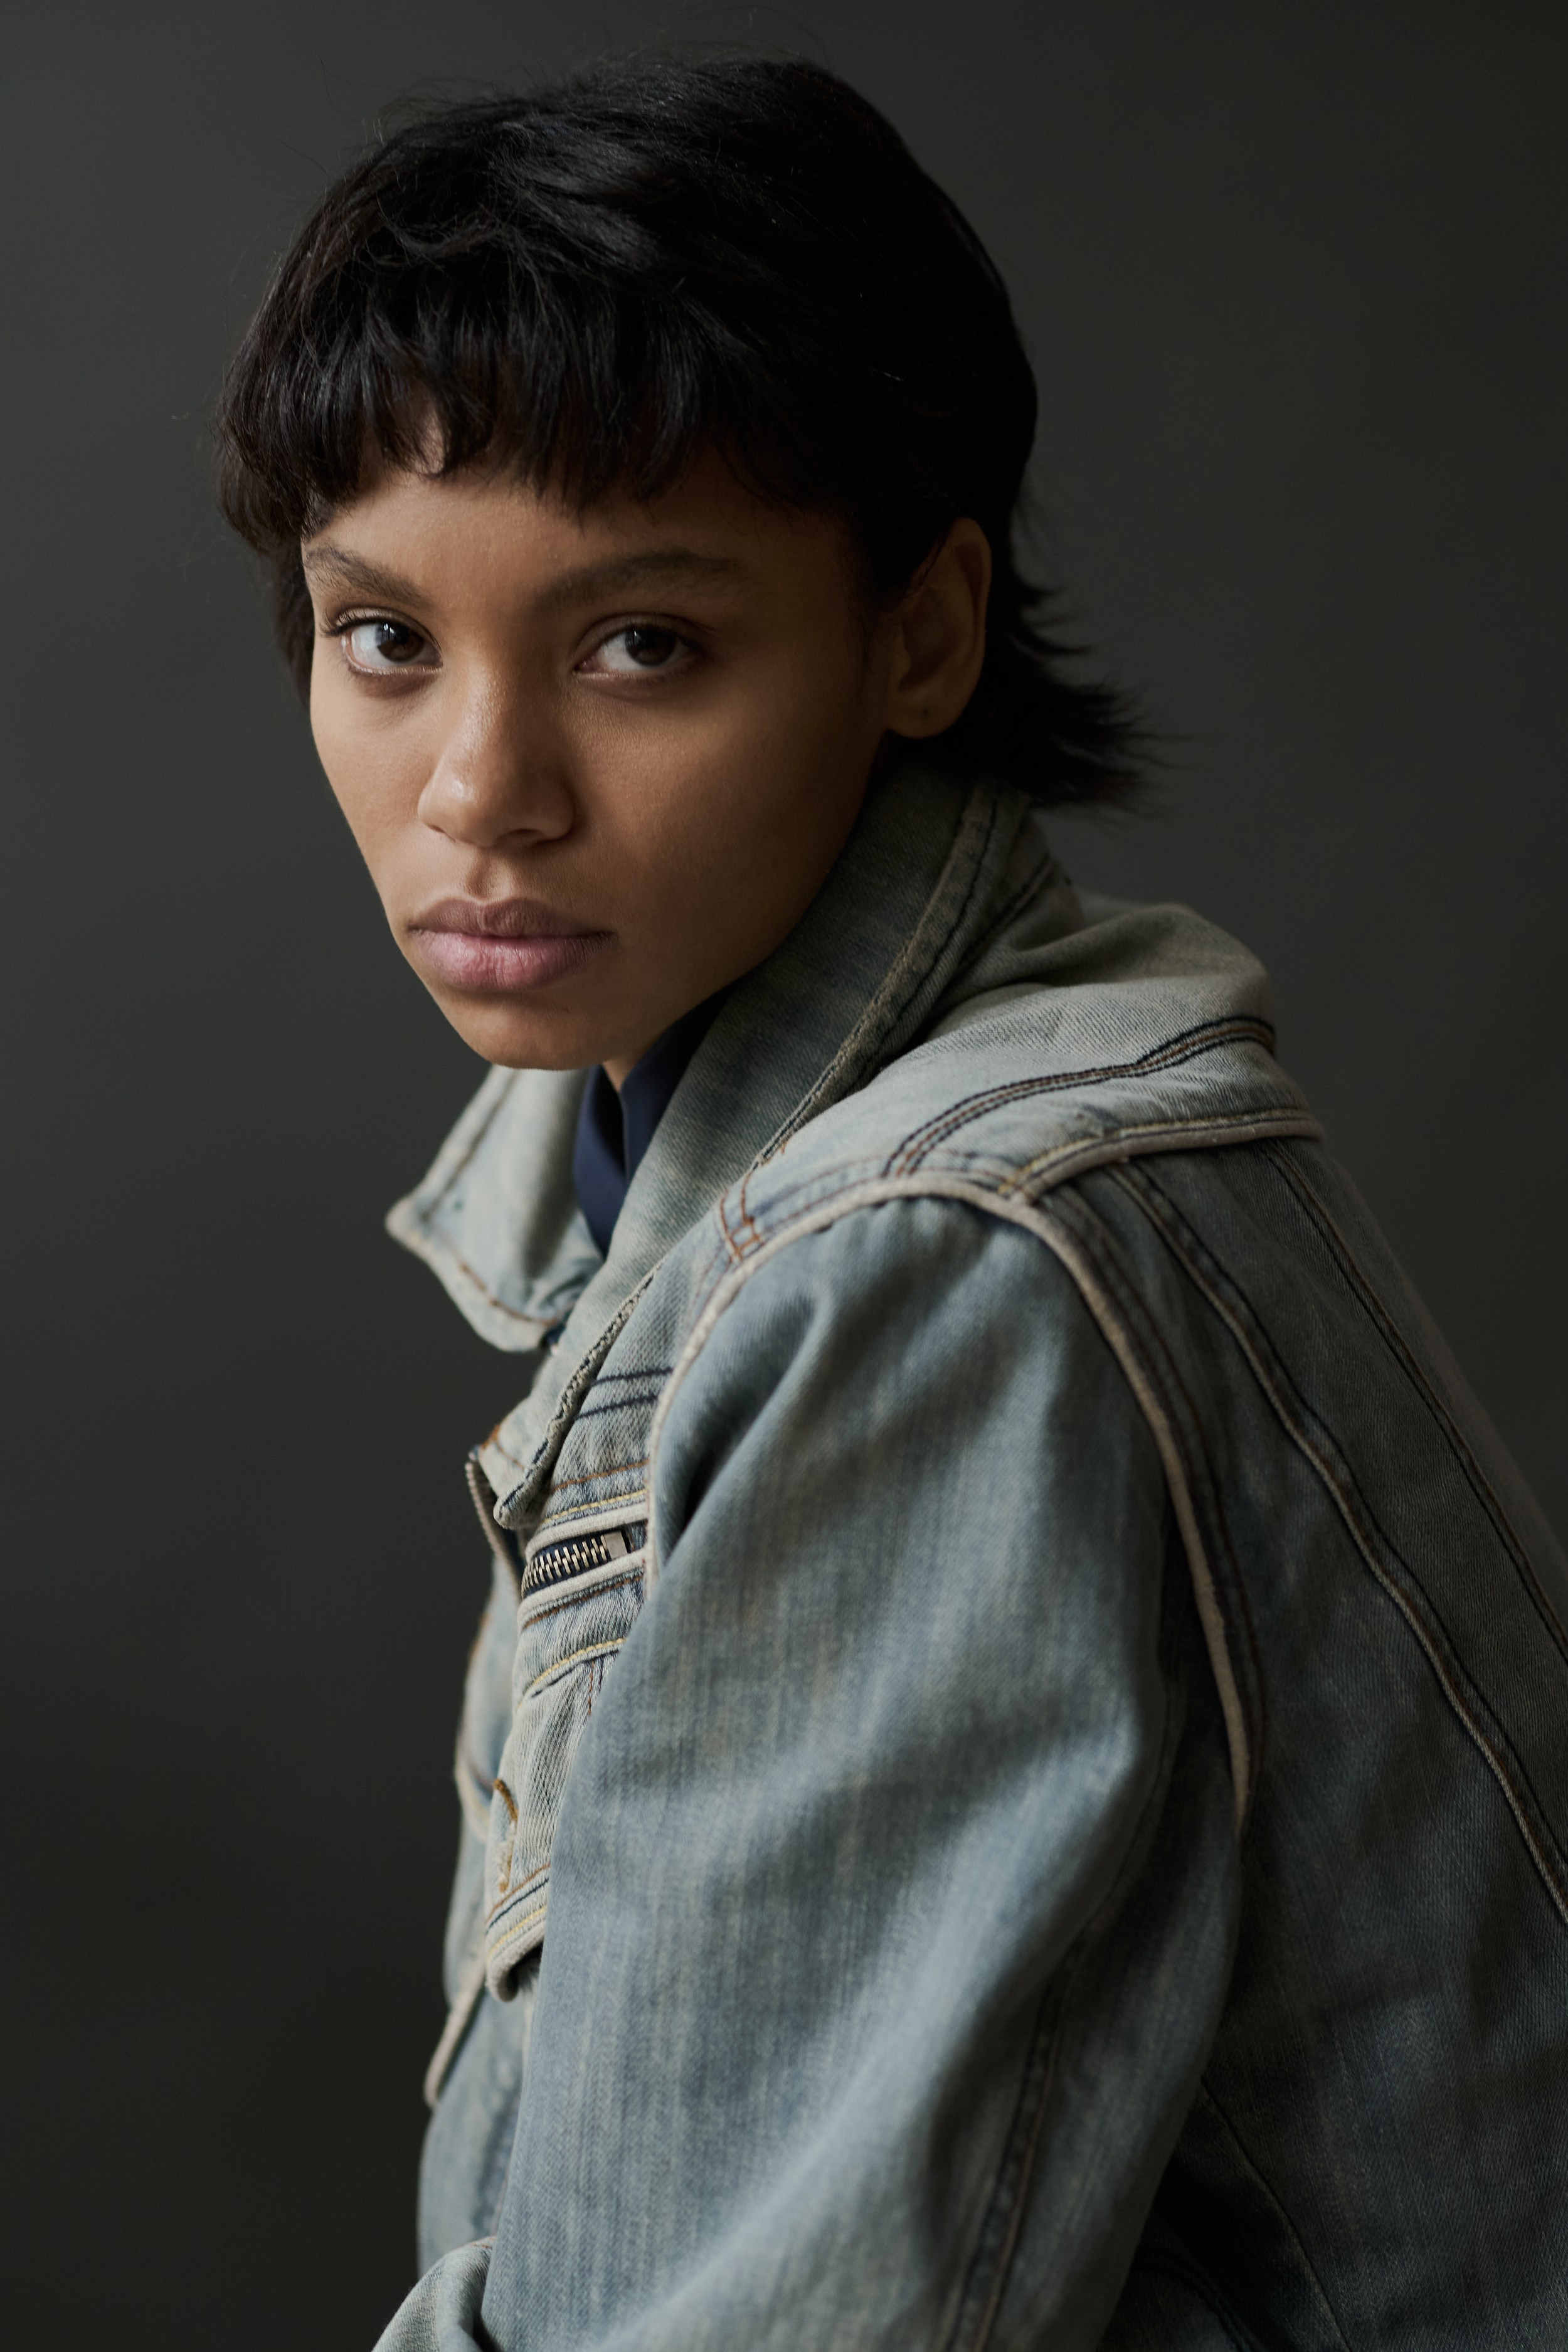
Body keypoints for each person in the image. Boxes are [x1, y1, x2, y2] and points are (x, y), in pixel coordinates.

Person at [216, 53, 1568, 2351]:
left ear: (920, 634)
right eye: (385, 638)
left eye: (641, 643)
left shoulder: (934, 1260)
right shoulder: (745, 1157)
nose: (482, 790)